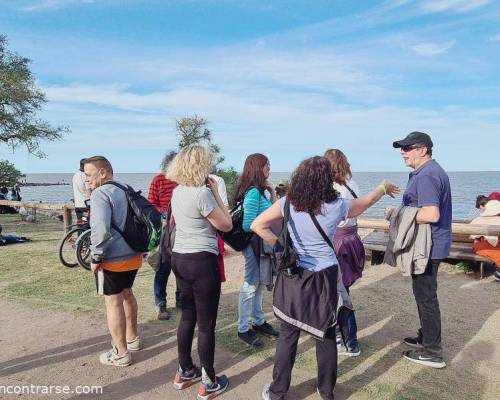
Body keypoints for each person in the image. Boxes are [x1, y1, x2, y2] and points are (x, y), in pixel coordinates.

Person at [251, 156, 399, 400]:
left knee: (288, 333)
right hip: (325, 276)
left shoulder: (287, 203)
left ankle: (277, 392)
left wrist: (281, 246)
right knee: (326, 333)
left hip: (295, 273)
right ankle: (326, 391)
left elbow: (257, 225)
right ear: (327, 180)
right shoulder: (337, 206)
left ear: (299, 177)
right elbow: (364, 203)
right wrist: (382, 187)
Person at [166, 145, 232, 400]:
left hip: (180, 258)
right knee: (206, 325)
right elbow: (226, 224)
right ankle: (209, 381)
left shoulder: (177, 192)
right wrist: (216, 193)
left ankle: (185, 370)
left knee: (187, 317)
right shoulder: (202, 194)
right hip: (201, 260)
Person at [392, 131, 452, 369]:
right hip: (430, 244)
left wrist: (396, 213)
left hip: (428, 246)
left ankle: (433, 352)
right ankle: (426, 337)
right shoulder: (429, 171)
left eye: (408, 148)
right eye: (402, 148)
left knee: (426, 298)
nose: (403, 152)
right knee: (423, 295)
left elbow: (431, 214)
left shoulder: (427, 175)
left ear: (423, 149)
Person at [84, 156, 143, 367]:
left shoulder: (101, 193)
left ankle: (120, 352)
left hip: (112, 258)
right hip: (134, 255)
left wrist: (95, 256)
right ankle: (132, 338)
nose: (87, 180)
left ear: (103, 172)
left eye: (89, 175)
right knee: (127, 294)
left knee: (113, 301)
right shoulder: (126, 187)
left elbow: (100, 229)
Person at [232, 153, 279, 348]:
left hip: (261, 245)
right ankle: (243, 328)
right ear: (258, 169)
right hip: (253, 245)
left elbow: (275, 211)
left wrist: (273, 192)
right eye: (267, 166)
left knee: (259, 284)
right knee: (250, 285)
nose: (269, 169)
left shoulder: (260, 191)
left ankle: (259, 321)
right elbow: (247, 225)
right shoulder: (253, 193)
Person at [324, 149, 364, 357]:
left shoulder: (331, 188)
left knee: (339, 294)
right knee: (344, 291)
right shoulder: (352, 185)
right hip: (353, 239)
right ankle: (347, 339)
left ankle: (348, 341)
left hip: (337, 240)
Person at [148, 150, 178, 320]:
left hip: (182, 231)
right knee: (163, 268)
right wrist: (166, 213)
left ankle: (181, 300)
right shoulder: (158, 180)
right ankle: (161, 304)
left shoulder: (185, 182)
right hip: (165, 231)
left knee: (182, 268)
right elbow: (150, 205)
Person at [470, 200, 500, 282]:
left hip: (480, 246)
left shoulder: (477, 220)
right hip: (490, 246)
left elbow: (472, 236)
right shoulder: (498, 220)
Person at [73, 159, 91, 225]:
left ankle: (80, 235)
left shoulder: (75, 175)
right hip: (85, 205)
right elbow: (88, 190)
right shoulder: (85, 176)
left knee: (80, 224)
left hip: (77, 205)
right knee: (86, 224)